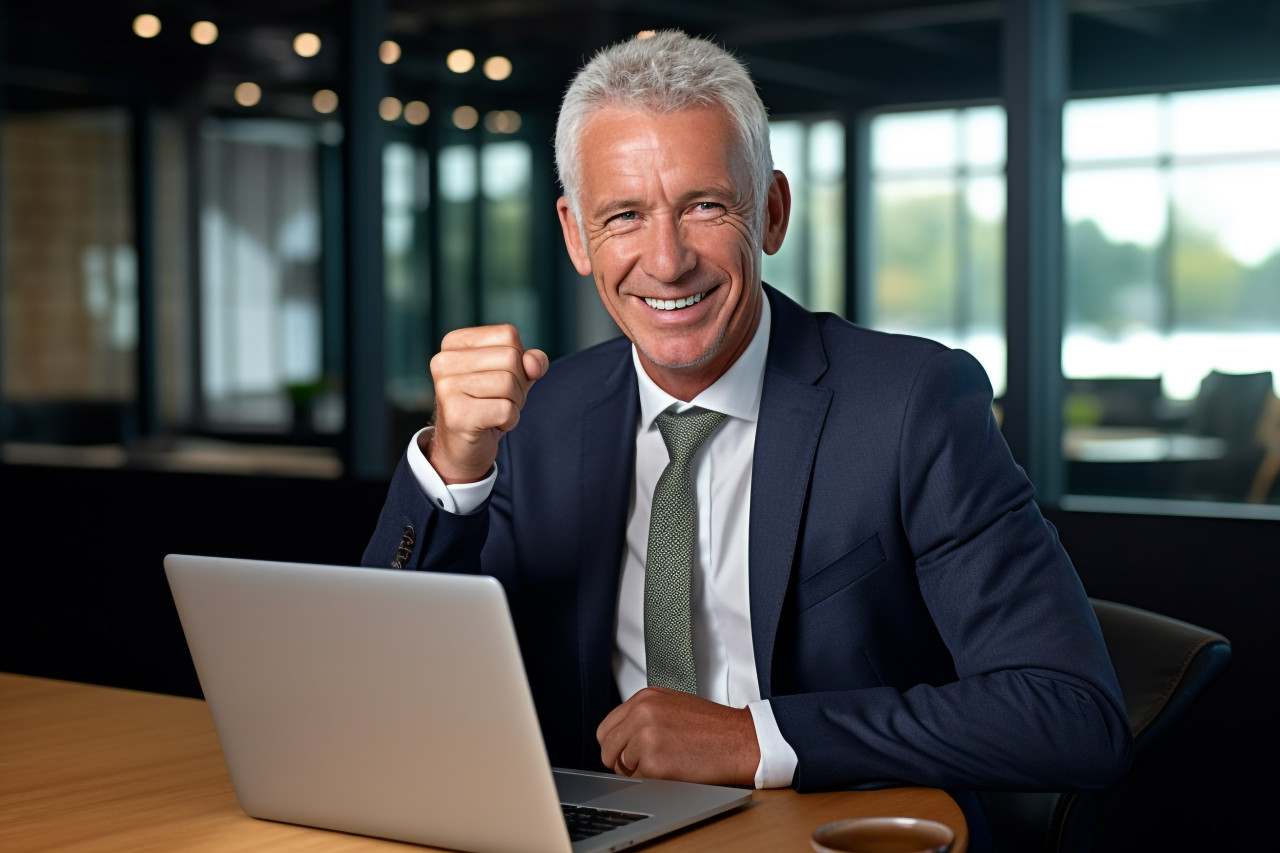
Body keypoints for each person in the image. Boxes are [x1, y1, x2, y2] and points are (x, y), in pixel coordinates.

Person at [362, 29, 1131, 848]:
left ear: (770, 211)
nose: (666, 261)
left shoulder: (911, 405)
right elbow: (383, 693)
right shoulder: (538, 416)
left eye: (704, 206)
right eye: (624, 216)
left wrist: (752, 736)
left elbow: (1073, 714)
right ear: (576, 237)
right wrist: (452, 467)